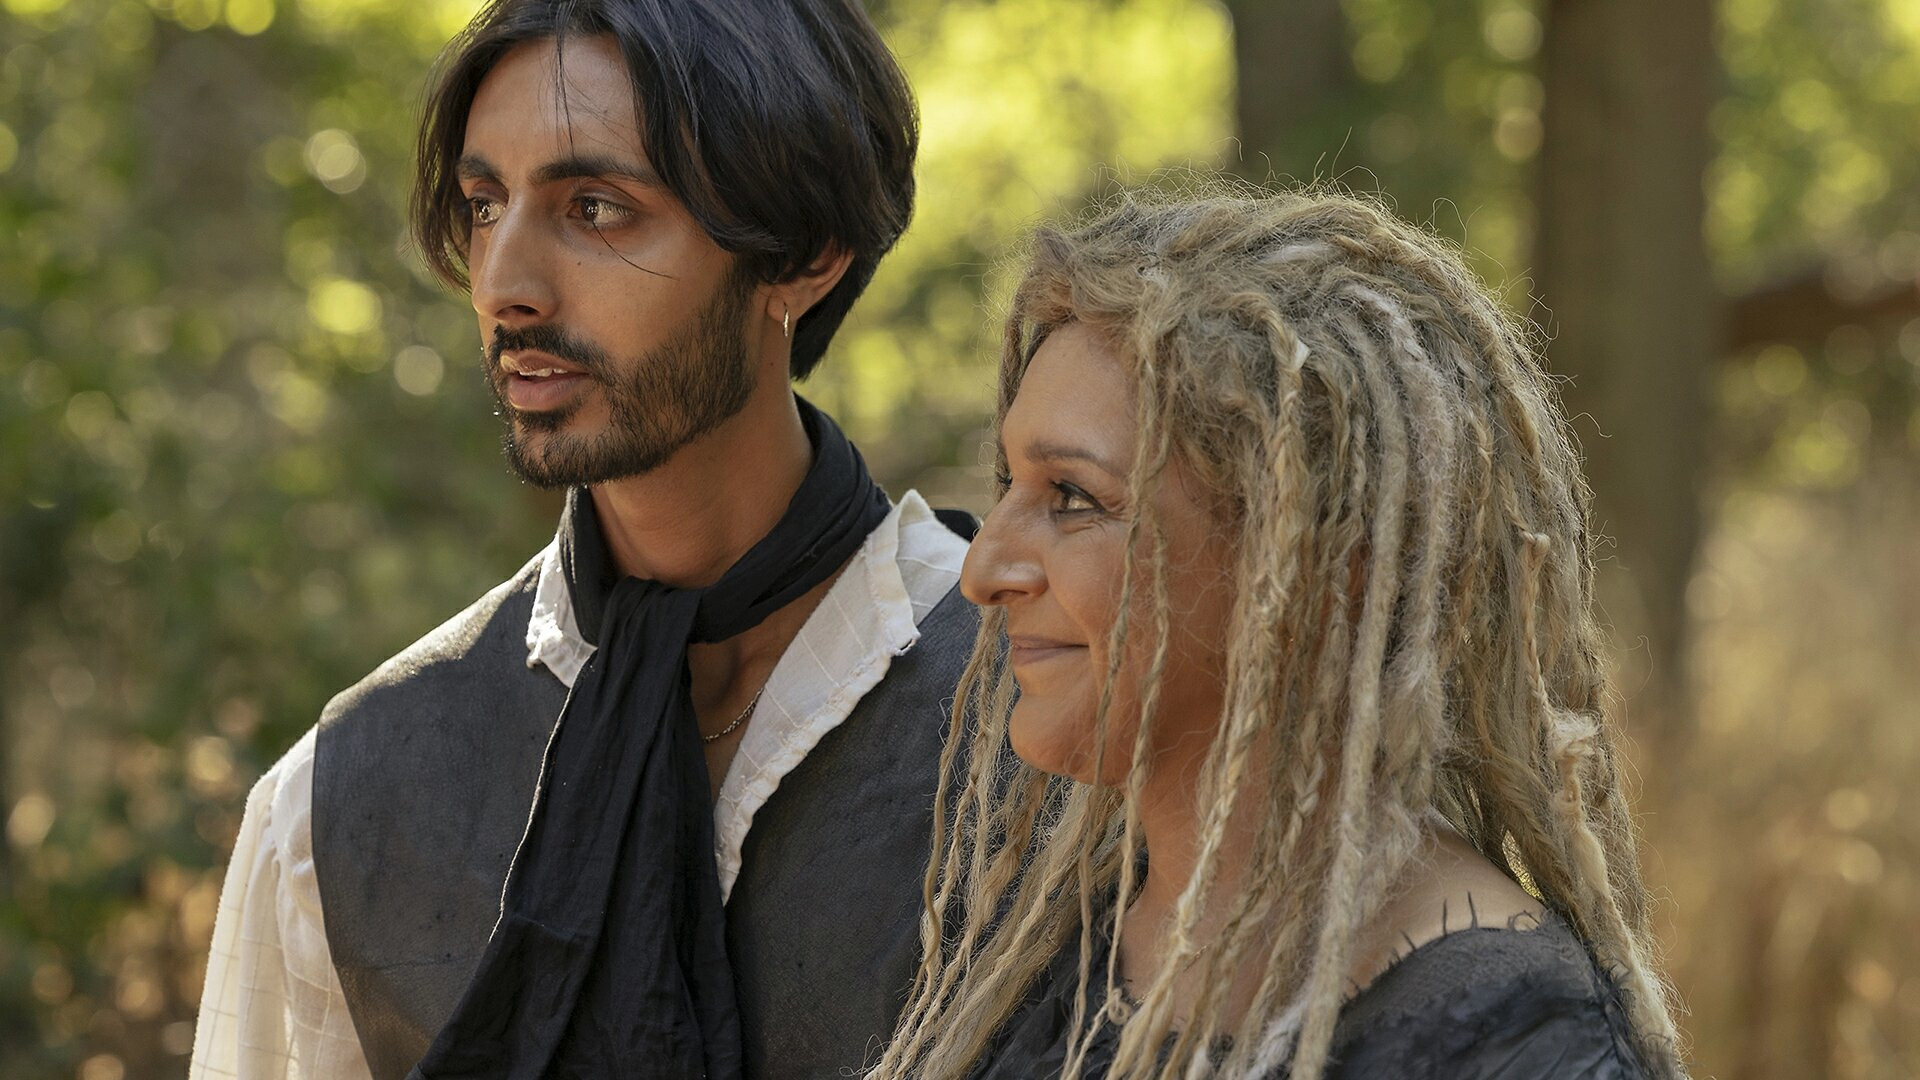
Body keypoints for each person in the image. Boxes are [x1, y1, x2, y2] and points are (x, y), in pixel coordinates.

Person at [189, 2, 977, 1078]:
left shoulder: (1044, 714)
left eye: (595, 208)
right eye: (485, 205)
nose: (503, 285)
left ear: (803, 255)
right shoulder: (342, 800)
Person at [872, 190, 1689, 1079]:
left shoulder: (1521, 1045)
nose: (982, 569)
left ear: (1321, 564)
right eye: (1007, 484)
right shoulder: (1032, 951)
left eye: (1072, 497)